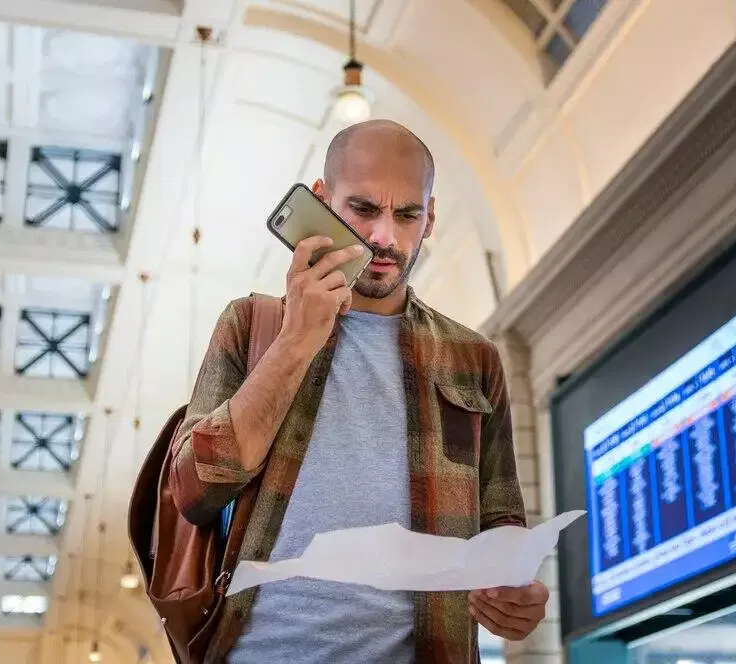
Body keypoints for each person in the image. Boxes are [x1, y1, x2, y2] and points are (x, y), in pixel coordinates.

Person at [170, 119, 547, 664]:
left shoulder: (474, 359)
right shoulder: (252, 326)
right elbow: (193, 492)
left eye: (407, 214)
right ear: (322, 199)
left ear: (430, 218)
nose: (383, 237)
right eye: (363, 209)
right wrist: (295, 342)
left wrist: (516, 591)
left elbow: (502, 522)